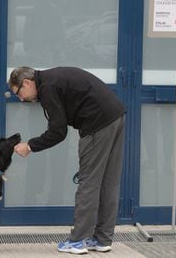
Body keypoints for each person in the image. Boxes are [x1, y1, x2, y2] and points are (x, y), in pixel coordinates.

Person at [8, 66, 125, 254]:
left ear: (27, 82)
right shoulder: (52, 79)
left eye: (19, 93)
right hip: (115, 116)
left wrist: (29, 146)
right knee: (109, 181)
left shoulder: (47, 88)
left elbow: (57, 132)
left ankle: (78, 240)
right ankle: (102, 239)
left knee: (89, 182)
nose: (22, 99)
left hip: (97, 123)